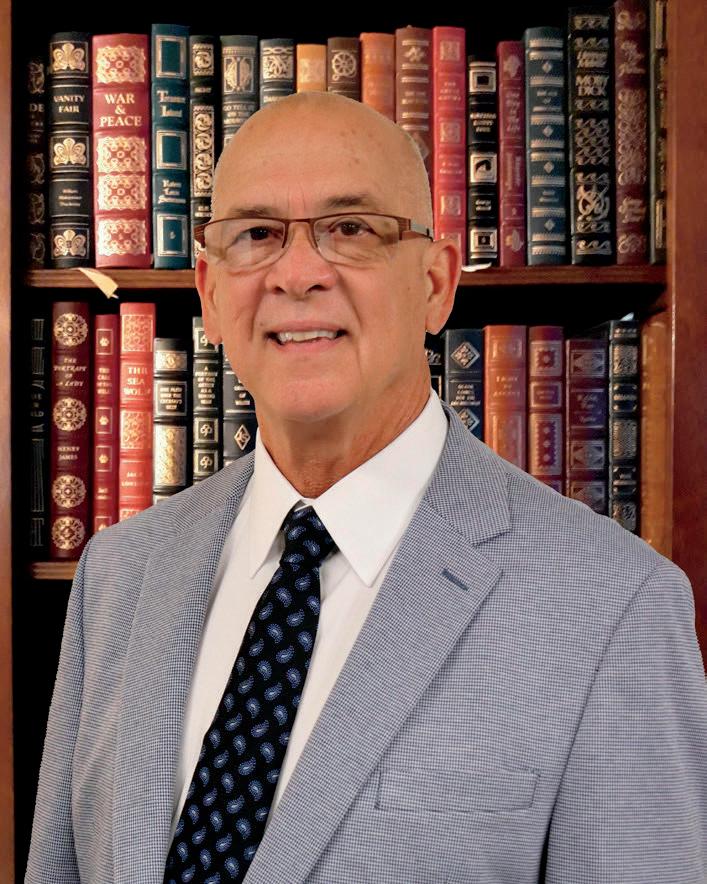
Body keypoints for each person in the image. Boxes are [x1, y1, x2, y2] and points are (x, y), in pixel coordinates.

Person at [26, 91, 706, 884]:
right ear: (209, 291)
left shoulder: (613, 608)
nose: (297, 274)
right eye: (256, 234)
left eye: (350, 229)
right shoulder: (120, 575)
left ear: (435, 283)